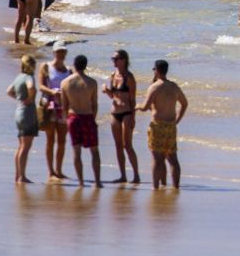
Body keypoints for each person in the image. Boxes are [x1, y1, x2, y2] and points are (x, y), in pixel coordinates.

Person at [136, 59, 188, 189]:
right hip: (171, 126)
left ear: (157, 71)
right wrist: (177, 120)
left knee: (157, 158)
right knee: (173, 158)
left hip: (158, 126)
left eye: (154, 69)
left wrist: (137, 106)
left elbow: (144, 107)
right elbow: (184, 104)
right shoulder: (174, 86)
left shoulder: (154, 87)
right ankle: (176, 187)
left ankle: (155, 187)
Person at [61, 54, 101, 188]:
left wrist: (66, 119)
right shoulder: (92, 82)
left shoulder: (65, 83)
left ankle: (81, 182)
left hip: (73, 118)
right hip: (87, 116)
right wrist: (93, 119)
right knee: (94, 151)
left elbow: (65, 106)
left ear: (74, 65)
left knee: (76, 152)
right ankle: (97, 181)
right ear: (86, 65)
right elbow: (95, 104)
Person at [103, 49, 139, 184]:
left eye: (116, 59)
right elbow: (113, 95)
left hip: (126, 113)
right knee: (118, 146)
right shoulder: (113, 75)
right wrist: (106, 91)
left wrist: (133, 117)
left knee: (127, 145)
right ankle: (123, 175)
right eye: (113, 59)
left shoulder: (129, 77)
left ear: (124, 60)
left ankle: (136, 175)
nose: (114, 61)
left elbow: (132, 99)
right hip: (115, 113)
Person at [38, 42, 70, 180]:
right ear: (54, 53)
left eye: (63, 51)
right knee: (50, 139)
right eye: (59, 51)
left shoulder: (69, 70)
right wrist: (52, 91)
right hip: (50, 107)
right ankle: (51, 171)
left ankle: (59, 170)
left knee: (62, 140)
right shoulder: (46, 67)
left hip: (63, 108)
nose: (61, 54)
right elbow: (40, 86)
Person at [7, 54, 39, 183]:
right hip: (27, 113)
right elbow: (31, 87)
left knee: (20, 146)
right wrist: (30, 98)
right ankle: (22, 176)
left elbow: (9, 91)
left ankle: (18, 175)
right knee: (25, 147)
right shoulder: (28, 77)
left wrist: (19, 99)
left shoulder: (18, 77)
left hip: (18, 112)